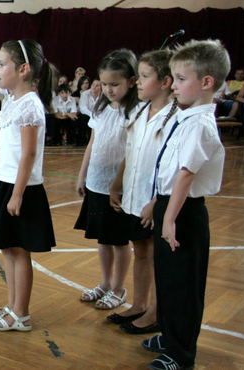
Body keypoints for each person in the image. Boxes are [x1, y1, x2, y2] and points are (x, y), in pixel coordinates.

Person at [141, 39, 228, 370]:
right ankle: (169, 334)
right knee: (166, 278)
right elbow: (169, 171)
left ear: (206, 83)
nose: (173, 85)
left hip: (184, 213)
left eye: (180, 79)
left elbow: (186, 175)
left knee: (183, 285)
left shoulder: (201, 123)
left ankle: (181, 354)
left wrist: (169, 218)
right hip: (169, 205)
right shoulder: (187, 117)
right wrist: (156, 204)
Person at [0, 39, 58, 332]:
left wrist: (17, 194)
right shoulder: (13, 101)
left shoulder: (30, 106)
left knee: (20, 251)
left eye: (2, 64)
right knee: (8, 249)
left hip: (22, 188)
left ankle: (21, 313)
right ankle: (12, 305)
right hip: (6, 183)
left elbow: (29, 154)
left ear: (23, 69)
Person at [108, 50, 177, 336]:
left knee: (157, 256)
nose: (138, 82)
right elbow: (131, 152)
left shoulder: (174, 117)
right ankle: (139, 303)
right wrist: (117, 183)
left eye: (145, 76)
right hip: (134, 197)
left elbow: (173, 167)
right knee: (141, 251)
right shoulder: (139, 111)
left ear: (165, 82)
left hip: (155, 200)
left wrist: (157, 202)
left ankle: (156, 312)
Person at [75, 49, 140, 311]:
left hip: (119, 187)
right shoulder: (100, 108)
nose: (110, 90)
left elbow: (132, 151)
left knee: (119, 239)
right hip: (96, 183)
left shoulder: (135, 112)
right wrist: (82, 174)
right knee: (103, 238)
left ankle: (119, 287)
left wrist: (117, 185)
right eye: (105, 84)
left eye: (116, 84)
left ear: (131, 82)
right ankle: (104, 282)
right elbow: (92, 144)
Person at [78, 77, 101, 146]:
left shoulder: (103, 96)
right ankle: (82, 140)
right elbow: (83, 108)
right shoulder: (85, 94)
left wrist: (96, 116)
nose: (94, 87)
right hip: (87, 114)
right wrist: (92, 115)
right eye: (93, 84)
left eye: (97, 85)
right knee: (83, 118)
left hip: (98, 115)